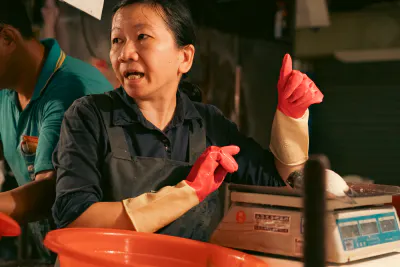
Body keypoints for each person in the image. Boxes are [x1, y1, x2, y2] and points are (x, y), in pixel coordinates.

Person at [52, 0, 323, 242]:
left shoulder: (207, 124)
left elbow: (282, 184)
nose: (125, 54)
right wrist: (187, 192)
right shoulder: (89, 117)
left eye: (142, 37)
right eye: (116, 40)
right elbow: (74, 218)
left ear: (184, 57)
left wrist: (292, 117)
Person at [0, 0, 113, 263]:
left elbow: (47, 193)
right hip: (55, 250)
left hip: (95, 255)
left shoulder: (70, 90)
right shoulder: (8, 90)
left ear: (6, 37)